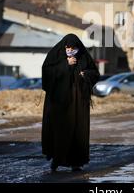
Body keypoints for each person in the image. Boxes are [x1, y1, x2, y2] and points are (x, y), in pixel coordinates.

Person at [41, 34, 100, 172]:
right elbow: (47, 73)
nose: (70, 50)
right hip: (59, 102)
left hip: (79, 102)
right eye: (68, 47)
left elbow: (95, 74)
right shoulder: (54, 56)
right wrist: (65, 65)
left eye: (74, 48)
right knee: (60, 131)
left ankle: (76, 162)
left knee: (77, 132)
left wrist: (85, 75)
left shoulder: (84, 57)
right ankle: (56, 160)